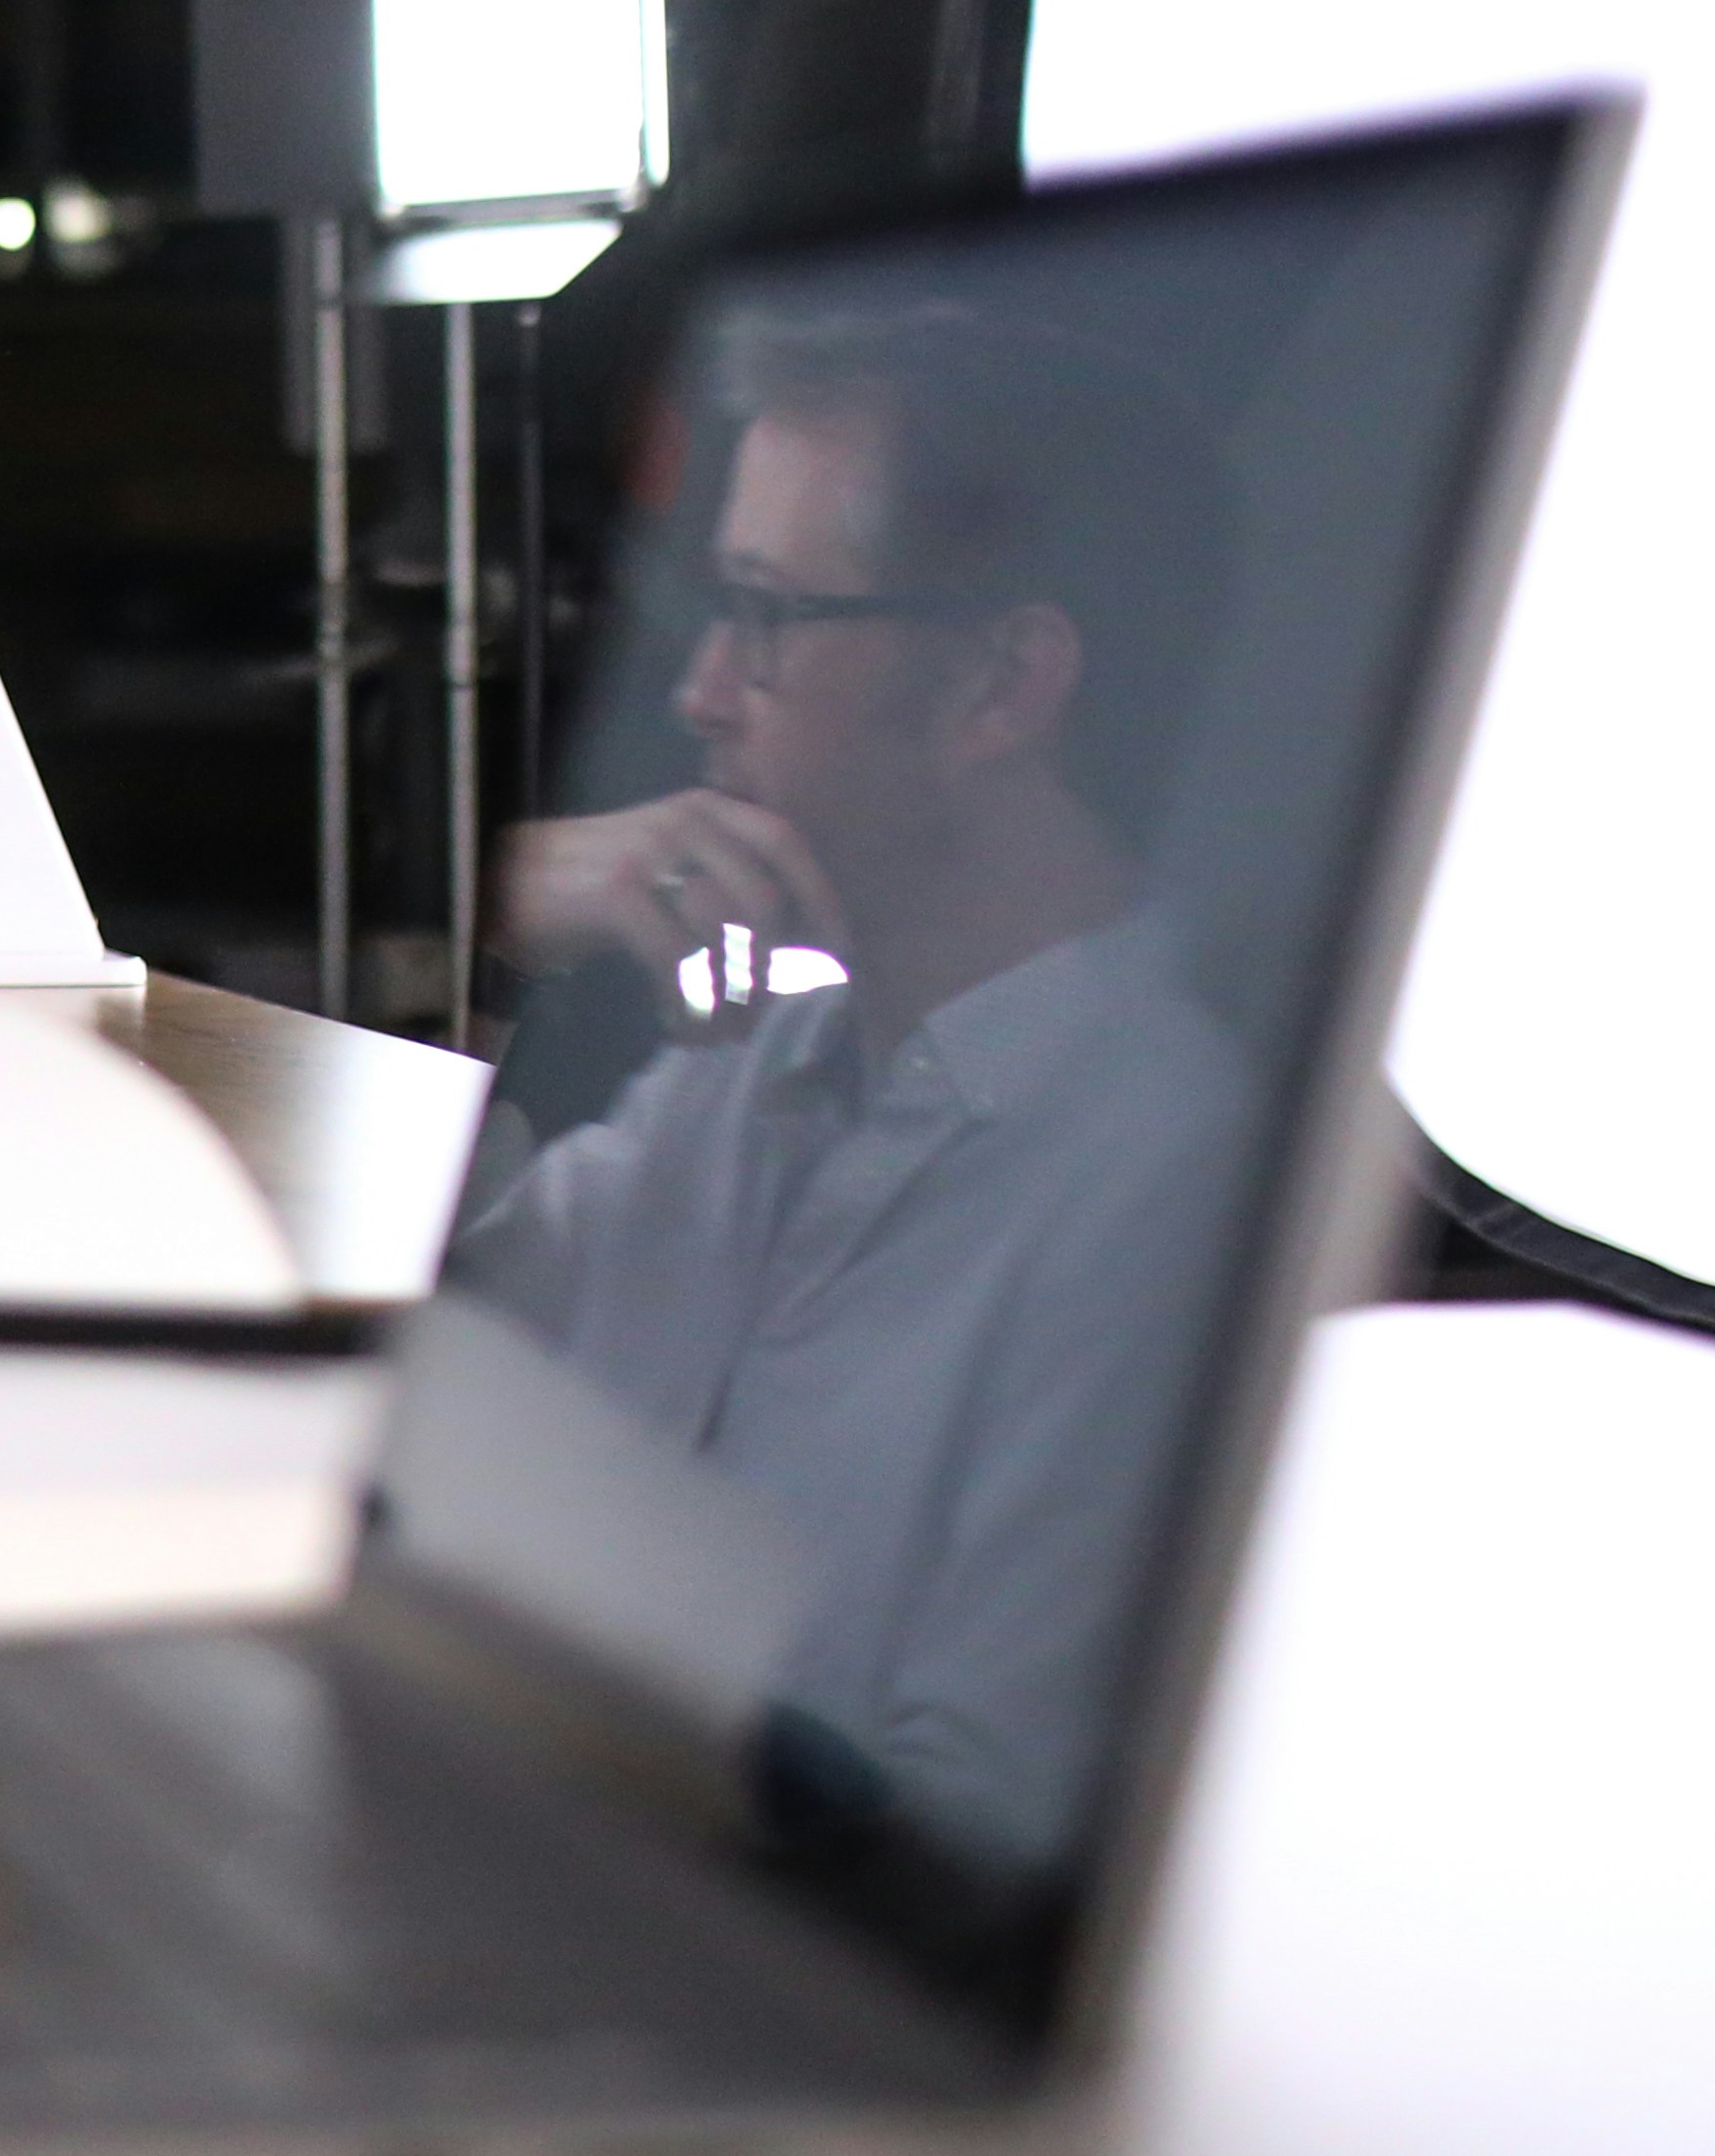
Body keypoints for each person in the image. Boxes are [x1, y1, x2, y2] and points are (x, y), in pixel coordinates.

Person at [449, 307, 1260, 1882]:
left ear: (997, 687)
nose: (698, 693)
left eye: (760, 618)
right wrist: (499, 926)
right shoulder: (758, 1060)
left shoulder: (1169, 1171)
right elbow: (408, 1362)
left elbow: (966, 1845)